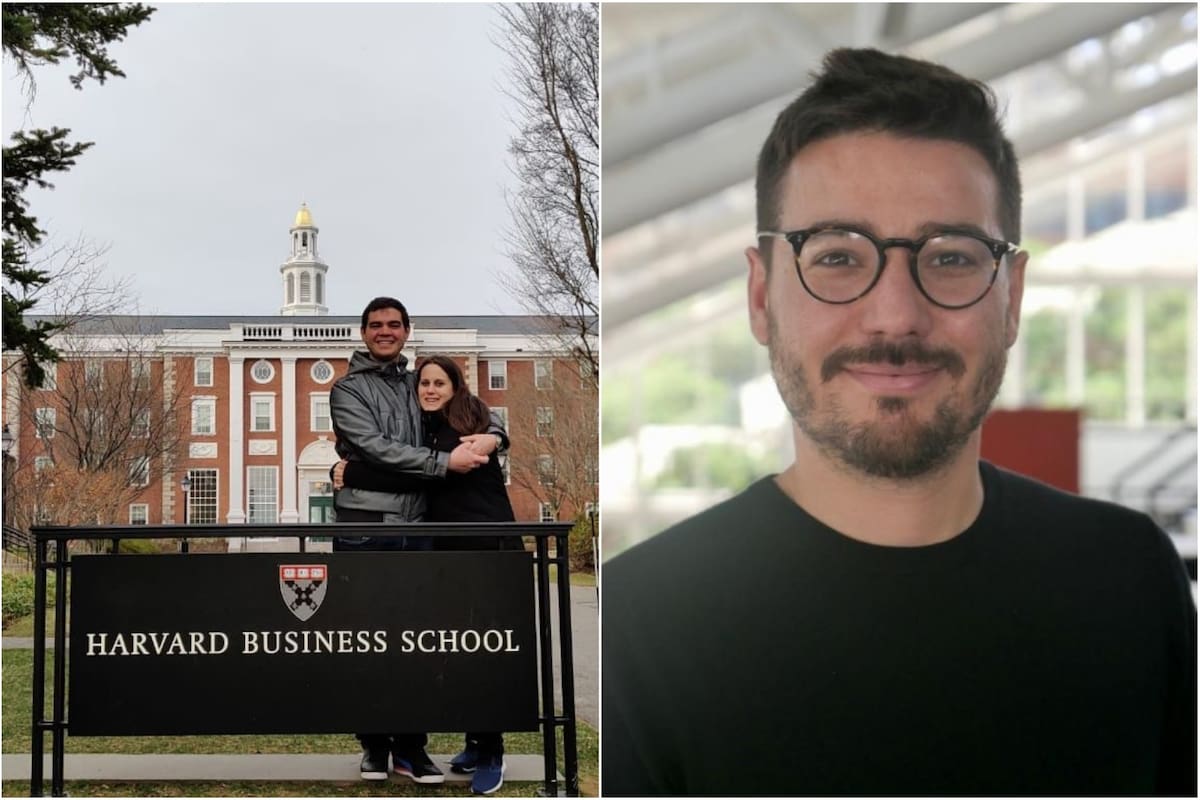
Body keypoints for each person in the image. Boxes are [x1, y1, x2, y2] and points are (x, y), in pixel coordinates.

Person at [601, 48, 1197, 797]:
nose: (895, 315)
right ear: (761, 296)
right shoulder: (637, 630)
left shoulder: (1131, 581)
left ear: (1010, 298)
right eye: (839, 257)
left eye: (950, 257)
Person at [330, 296, 503, 784]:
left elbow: (471, 412)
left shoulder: (418, 384)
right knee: (365, 641)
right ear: (363, 332)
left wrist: (495, 437)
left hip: (420, 527)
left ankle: (412, 747)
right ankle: (373, 746)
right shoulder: (348, 390)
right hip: (365, 530)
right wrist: (441, 464)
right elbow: (376, 448)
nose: (385, 332)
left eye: (394, 325)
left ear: (406, 331)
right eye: (376, 325)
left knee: (414, 643)